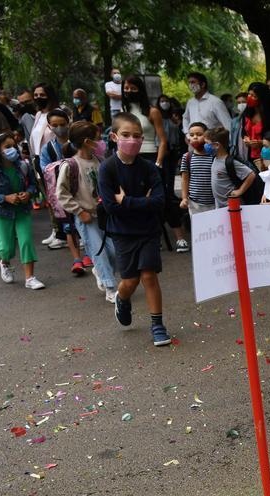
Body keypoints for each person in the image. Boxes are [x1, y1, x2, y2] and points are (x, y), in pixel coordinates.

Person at [97, 112, 171, 346]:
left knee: (149, 276)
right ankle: (122, 298)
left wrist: (127, 201)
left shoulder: (149, 168)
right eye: (126, 135)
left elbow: (160, 202)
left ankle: (157, 325)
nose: (132, 140)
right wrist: (142, 203)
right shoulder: (107, 168)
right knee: (130, 282)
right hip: (123, 233)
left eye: (137, 136)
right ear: (114, 137)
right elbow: (110, 207)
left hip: (148, 230)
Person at [57, 120, 119, 303]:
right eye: (97, 139)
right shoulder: (70, 165)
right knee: (98, 251)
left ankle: (101, 272)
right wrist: (79, 211)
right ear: (86, 141)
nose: (101, 142)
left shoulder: (100, 161)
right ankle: (110, 287)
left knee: (114, 251)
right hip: (86, 217)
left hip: (104, 215)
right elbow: (62, 194)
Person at [0, 131, 44, 289]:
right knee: (5, 248)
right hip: (1, 213)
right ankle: (4, 262)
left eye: (13, 146)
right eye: (7, 147)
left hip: (23, 210)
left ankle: (30, 277)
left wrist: (29, 193)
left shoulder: (23, 166)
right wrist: (4, 198)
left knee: (26, 241)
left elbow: (33, 185)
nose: (12, 149)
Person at [123, 76, 184, 252]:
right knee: (135, 198)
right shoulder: (123, 111)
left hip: (151, 157)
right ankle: (149, 237)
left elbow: (163, 140)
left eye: (133, 88)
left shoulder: (152, 111)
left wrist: (158, 163)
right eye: (126, 88)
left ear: (140, 89)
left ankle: (179, 237)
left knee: (162, 196)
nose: (128, 91)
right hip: (129, 159)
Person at [39, 108, 86, 270]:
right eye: (55, 125)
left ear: (69, 123)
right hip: (62, 193)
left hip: (82, 189)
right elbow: (44, 169)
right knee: (68, 225)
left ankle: (89, 254)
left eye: (62, 124)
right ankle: (77, 259)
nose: (59, 128)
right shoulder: (48, 149)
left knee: (86, 221)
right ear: (50, 126)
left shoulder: (79, 143)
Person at [205, 126, 257, 209]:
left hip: (233, 205)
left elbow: (251, 175)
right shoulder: (214, 158)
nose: (205, 146)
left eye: (207, 143)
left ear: (217, 145)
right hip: (220, 205)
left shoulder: (229, 162)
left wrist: (240, 191)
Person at [180, 122, 217, 216]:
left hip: (215, 202)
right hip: (194, 204)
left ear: (207, 137)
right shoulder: (187, 157)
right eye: (191, 135)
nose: (195, 137)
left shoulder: (214, 156)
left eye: (199, 134)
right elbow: (185, 179)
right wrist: (184, 198)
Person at [242, 82, 270, 165]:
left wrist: (261, 142)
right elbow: (244, 131)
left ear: (262, 99)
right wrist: (246, 138)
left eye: (254, 96)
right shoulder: (247, 113)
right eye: (249, 94)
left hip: (267, 157)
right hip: (250, 156)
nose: (250, 98)